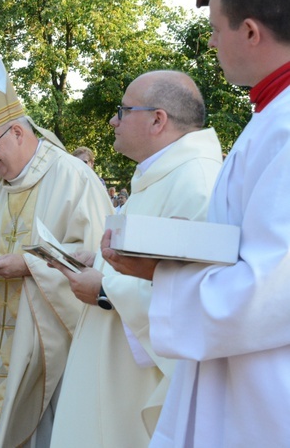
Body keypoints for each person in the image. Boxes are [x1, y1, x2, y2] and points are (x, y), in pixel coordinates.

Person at [103, 0, 290, 446]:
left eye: (214, 28)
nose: (209, 41)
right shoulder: (271, 116)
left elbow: (274, 289)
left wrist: (157, 273)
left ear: (250, 31)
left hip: (268, 392)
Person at [0, 45, 112, 447]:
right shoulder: (2, 182)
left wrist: (29, 266)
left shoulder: (73, 179)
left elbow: (96, 261)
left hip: (45, 344)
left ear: (17, 132)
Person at [48, 71, 223, 447]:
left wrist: (105, 291)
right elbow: (150, 266)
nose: (113, 120)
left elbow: (200, 298)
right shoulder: (158, 175)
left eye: (122, 111)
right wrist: (97, 261)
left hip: (136, 381)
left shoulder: (196, 183)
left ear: (158, 119)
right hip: (110, 364)